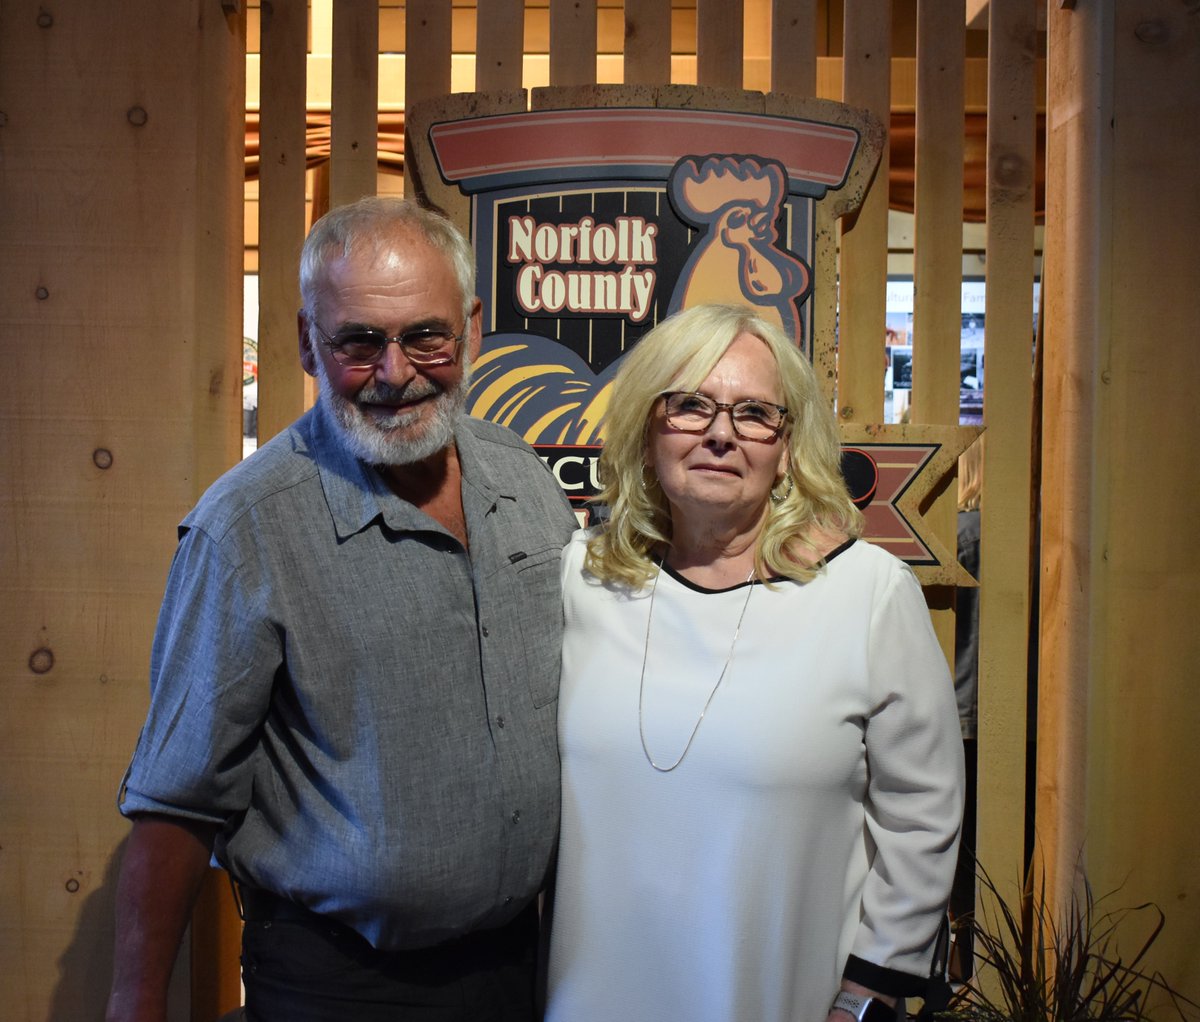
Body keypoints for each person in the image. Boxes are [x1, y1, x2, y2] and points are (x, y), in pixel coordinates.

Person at [106, 197, 578, 1022]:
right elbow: (176, 801)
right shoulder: (246, 530)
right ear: (306, 343)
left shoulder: (525, 479)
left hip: (525, 970)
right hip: (340, 990)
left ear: (469, 330)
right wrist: (134, 1005)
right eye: (359, 341)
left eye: (425, 335)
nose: (395, 373)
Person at [544, 303, 965, 1022]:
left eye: (753, 414)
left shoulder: (865, 594)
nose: (720, 434)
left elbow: (921, 814)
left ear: (788, 445)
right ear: (647, 431)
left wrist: (870, 990)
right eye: (689, 406)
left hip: (777, 995)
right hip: (591, 997)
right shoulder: (582, 577)